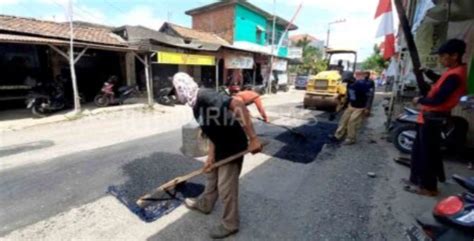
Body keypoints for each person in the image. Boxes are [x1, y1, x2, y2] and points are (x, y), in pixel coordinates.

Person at [172, 73, 262, 239]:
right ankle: (205, 204)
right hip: (220, 145)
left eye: (176, 91)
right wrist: (210, 157)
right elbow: (212, 130)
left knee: (226, 188)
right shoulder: (195, 105)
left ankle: (231, 224)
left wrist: (254, 139)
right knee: (211, 178)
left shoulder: (206, 96)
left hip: (232, 146)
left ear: (182, 88)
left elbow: (239, 105)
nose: (176, 96)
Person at [404, 39, 468, 196]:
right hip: (428, 117)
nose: (441, 60)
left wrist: (420, 100)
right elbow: (440, 82)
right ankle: (417, 180)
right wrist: (427, 72)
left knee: (428, 154)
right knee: (418, 151)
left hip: (434, 118)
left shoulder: (456, 75)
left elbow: (439, 99)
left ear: (454, 55)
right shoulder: (452, 71)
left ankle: (428, 187)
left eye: (443, 56)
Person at [332, 71, 373, 145]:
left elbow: (369, 96)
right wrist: (343, 106)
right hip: (351, 105)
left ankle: (351, 139)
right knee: (343, 120)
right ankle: (338, 136)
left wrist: (367, 108)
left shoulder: (361, 84)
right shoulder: (349, 85)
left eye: (346, 80)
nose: (345, 82)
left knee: (352, 122)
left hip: (360, 107)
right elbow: (348, 96)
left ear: (350, 78)